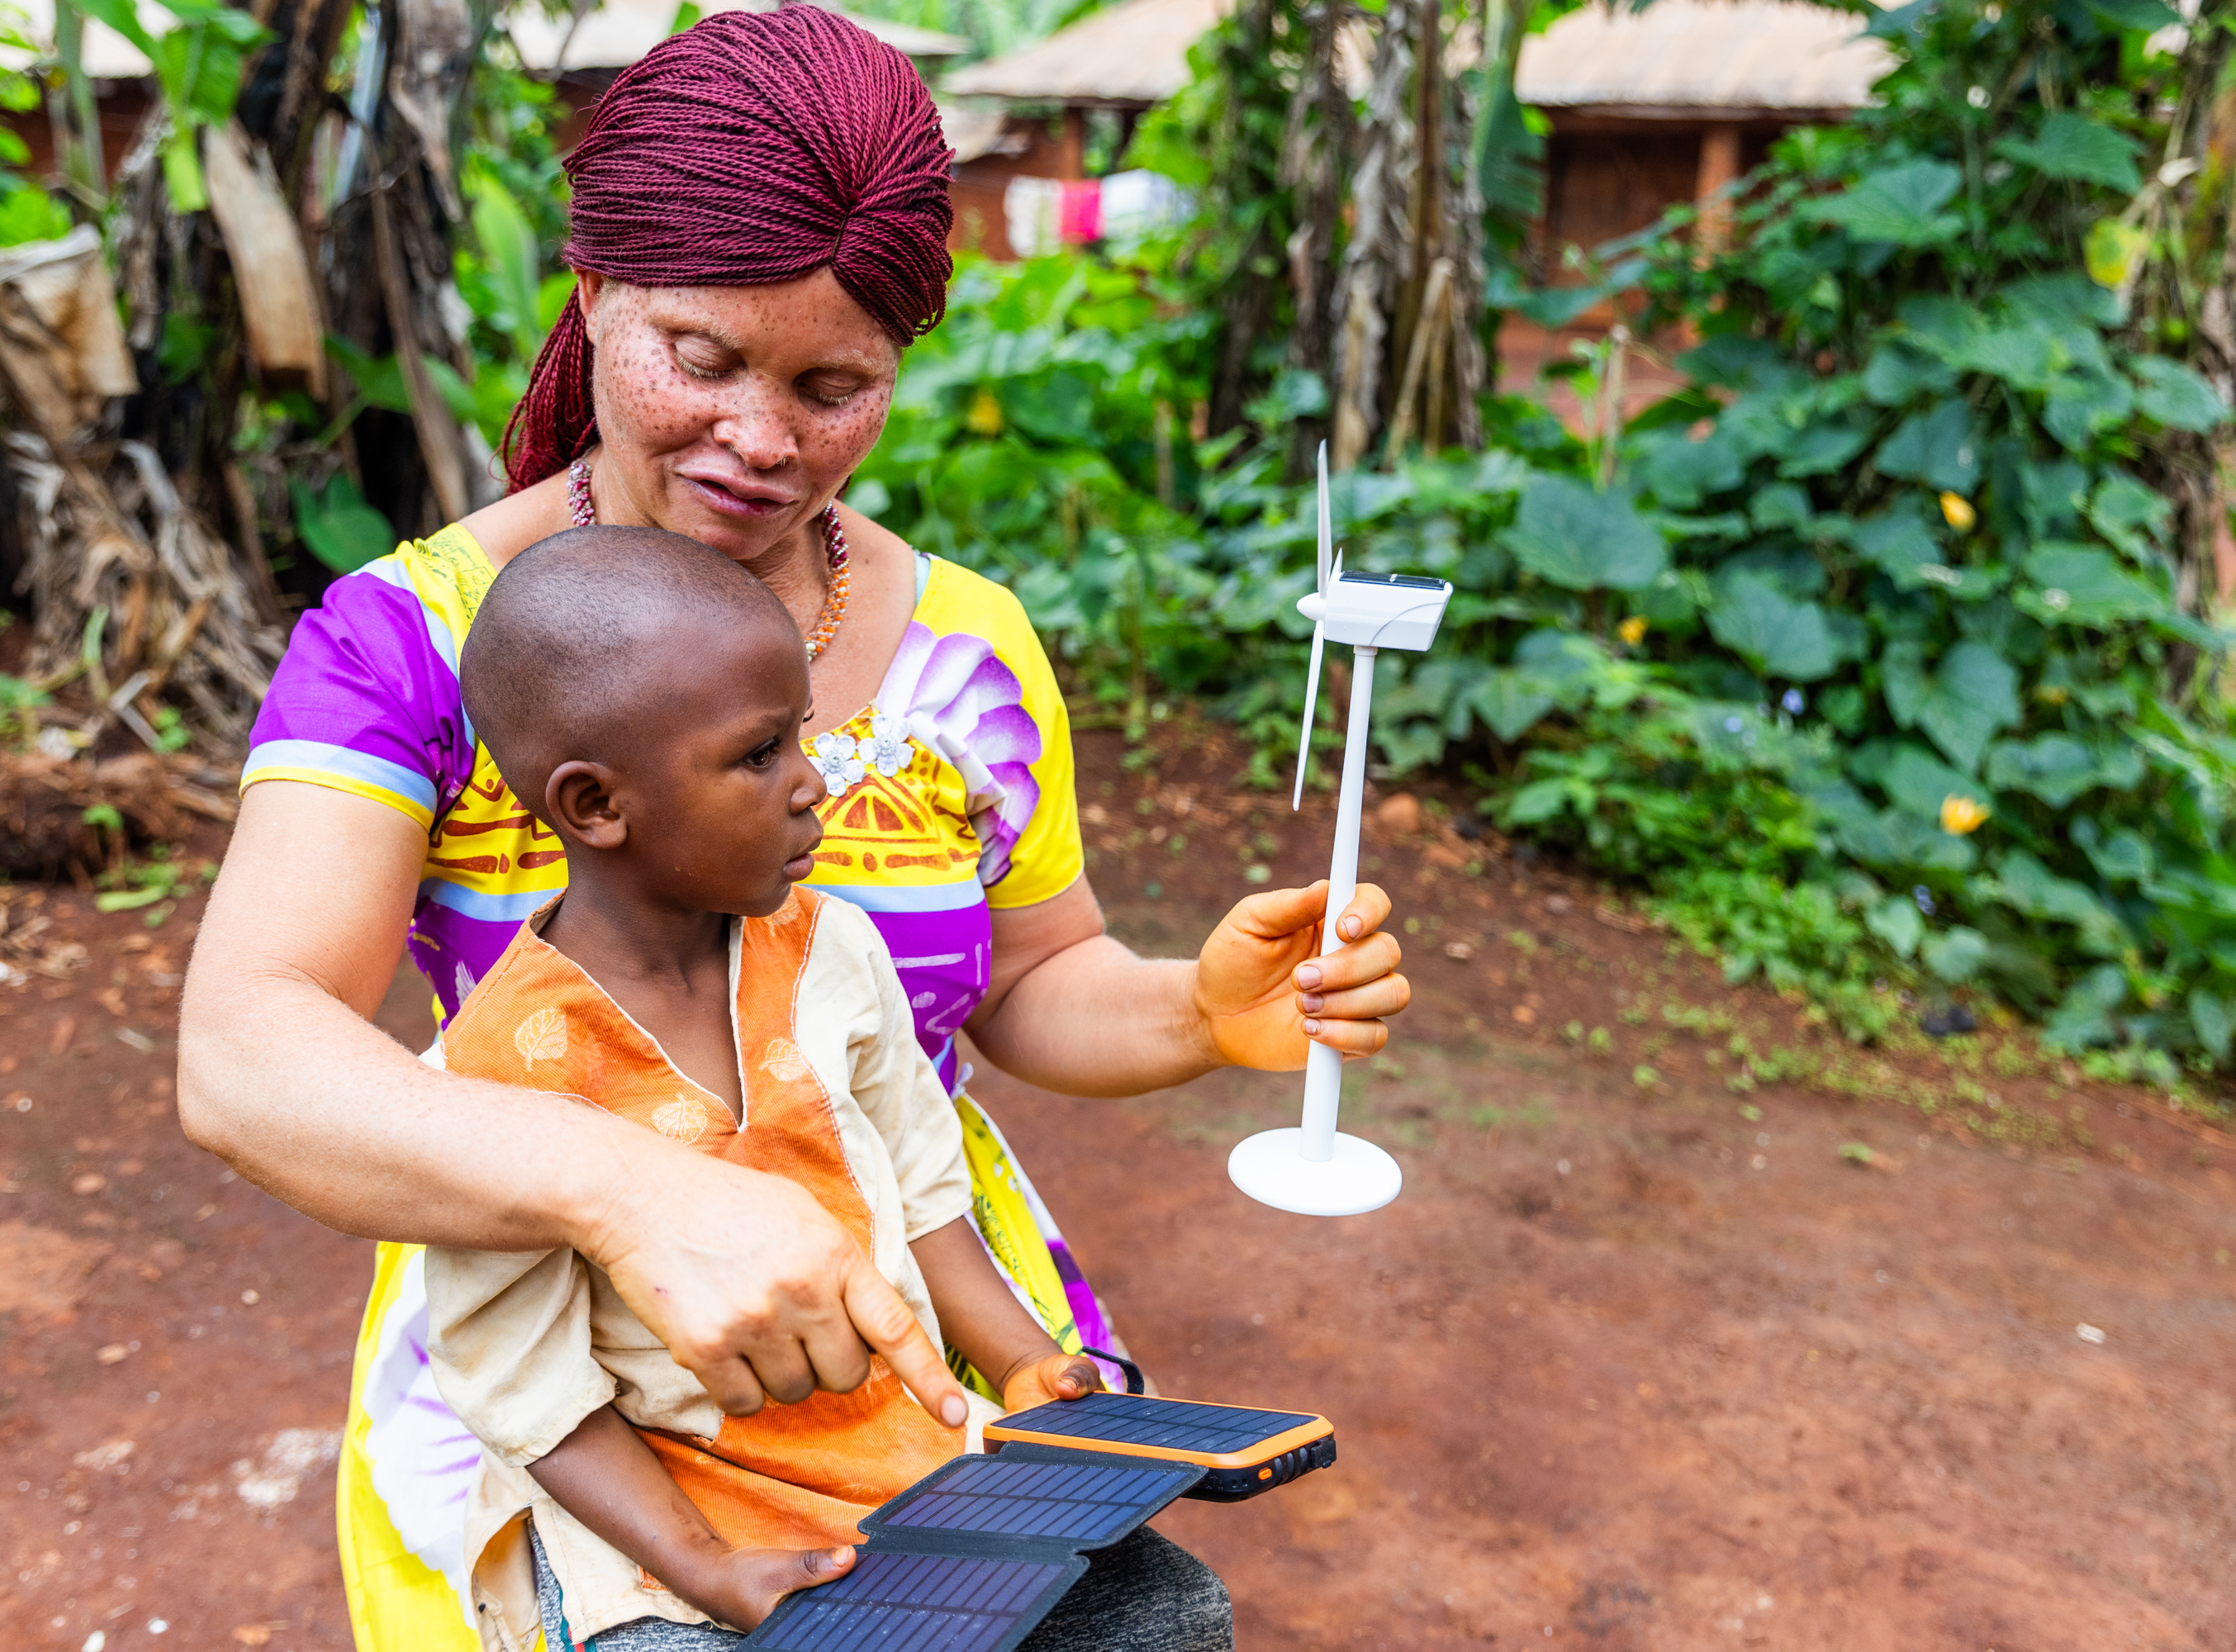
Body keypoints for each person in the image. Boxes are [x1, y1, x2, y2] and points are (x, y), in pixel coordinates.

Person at [177, 9, 1408, 1647]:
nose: (763, 440)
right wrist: (634, 1195)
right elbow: (247, 1049)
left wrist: (1192, 1010)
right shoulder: (418, 643)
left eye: (835, 387)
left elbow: (1035, 979)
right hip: (580, 1392)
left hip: (930, 1329)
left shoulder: (968, 645)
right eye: (701, 358)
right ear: (595, 286)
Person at [424, 525, 1228, 1650]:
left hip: (903, 1462)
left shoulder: (833, 952)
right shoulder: (487, 1080)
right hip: (664, 1533)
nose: (814, 784)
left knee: (1164, 1613)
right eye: (760, 756)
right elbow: (531, 1395)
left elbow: (919, 1190)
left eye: (800, 735)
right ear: (596, 805)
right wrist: (715, 1576)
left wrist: (1022, 1362)